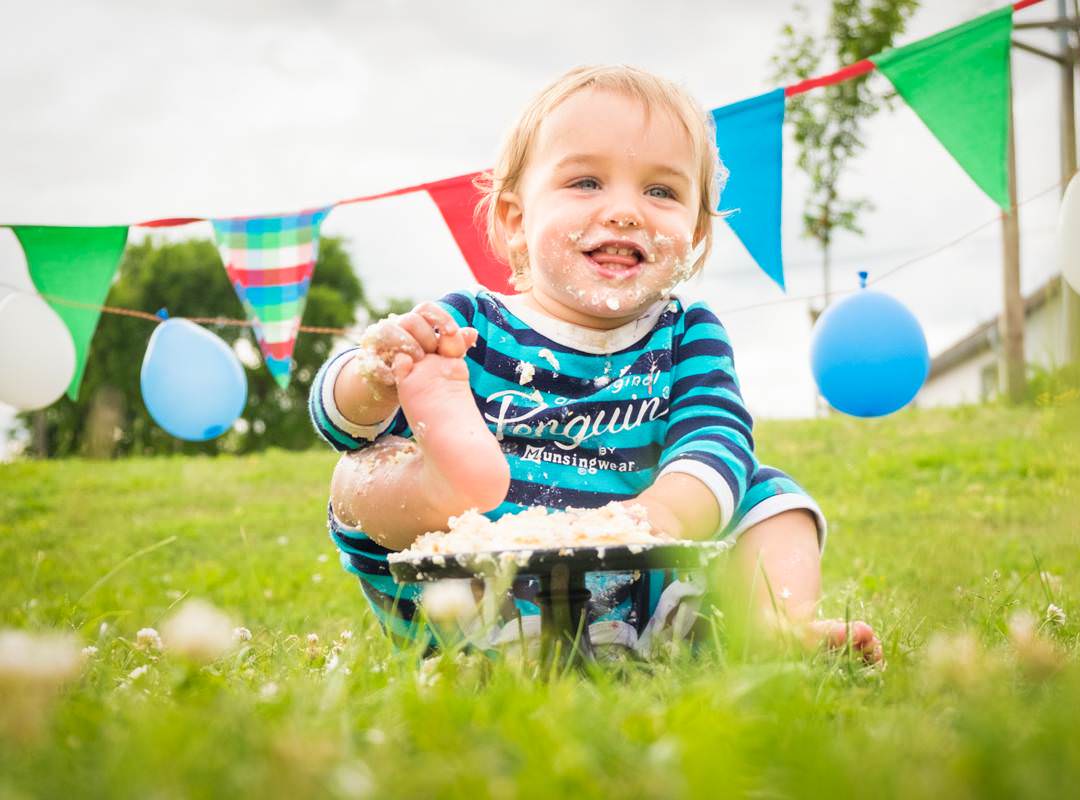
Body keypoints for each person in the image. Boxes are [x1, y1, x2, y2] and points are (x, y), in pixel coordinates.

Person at [308, 64, 881, 663]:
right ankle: (448, 484)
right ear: (516, 222)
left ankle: (773, 627)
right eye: (586, 182)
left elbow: (715, 439)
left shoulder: (686, 335)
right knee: (362, 470)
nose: (626, 211)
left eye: (662, 192)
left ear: (696, 232)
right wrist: (374, 377)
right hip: (467, 589)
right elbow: (341, 426)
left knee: (764, 493)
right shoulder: (466, 326)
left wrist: (659, 514)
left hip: (639, 600)